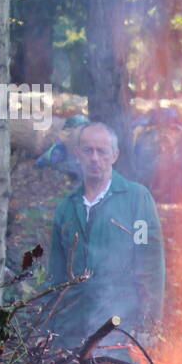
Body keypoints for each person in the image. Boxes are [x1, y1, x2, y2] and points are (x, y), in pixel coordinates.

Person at [46, 120, 165, 351]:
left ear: (115, 155)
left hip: (120, 327)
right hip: (70, 330)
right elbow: (56, 275)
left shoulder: (136, 199)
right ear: (78, 154)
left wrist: (149, 323)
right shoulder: (67, 208)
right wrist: (48, 330)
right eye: (88, 150)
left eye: (101, 151)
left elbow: (149, 262)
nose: (94, 158)